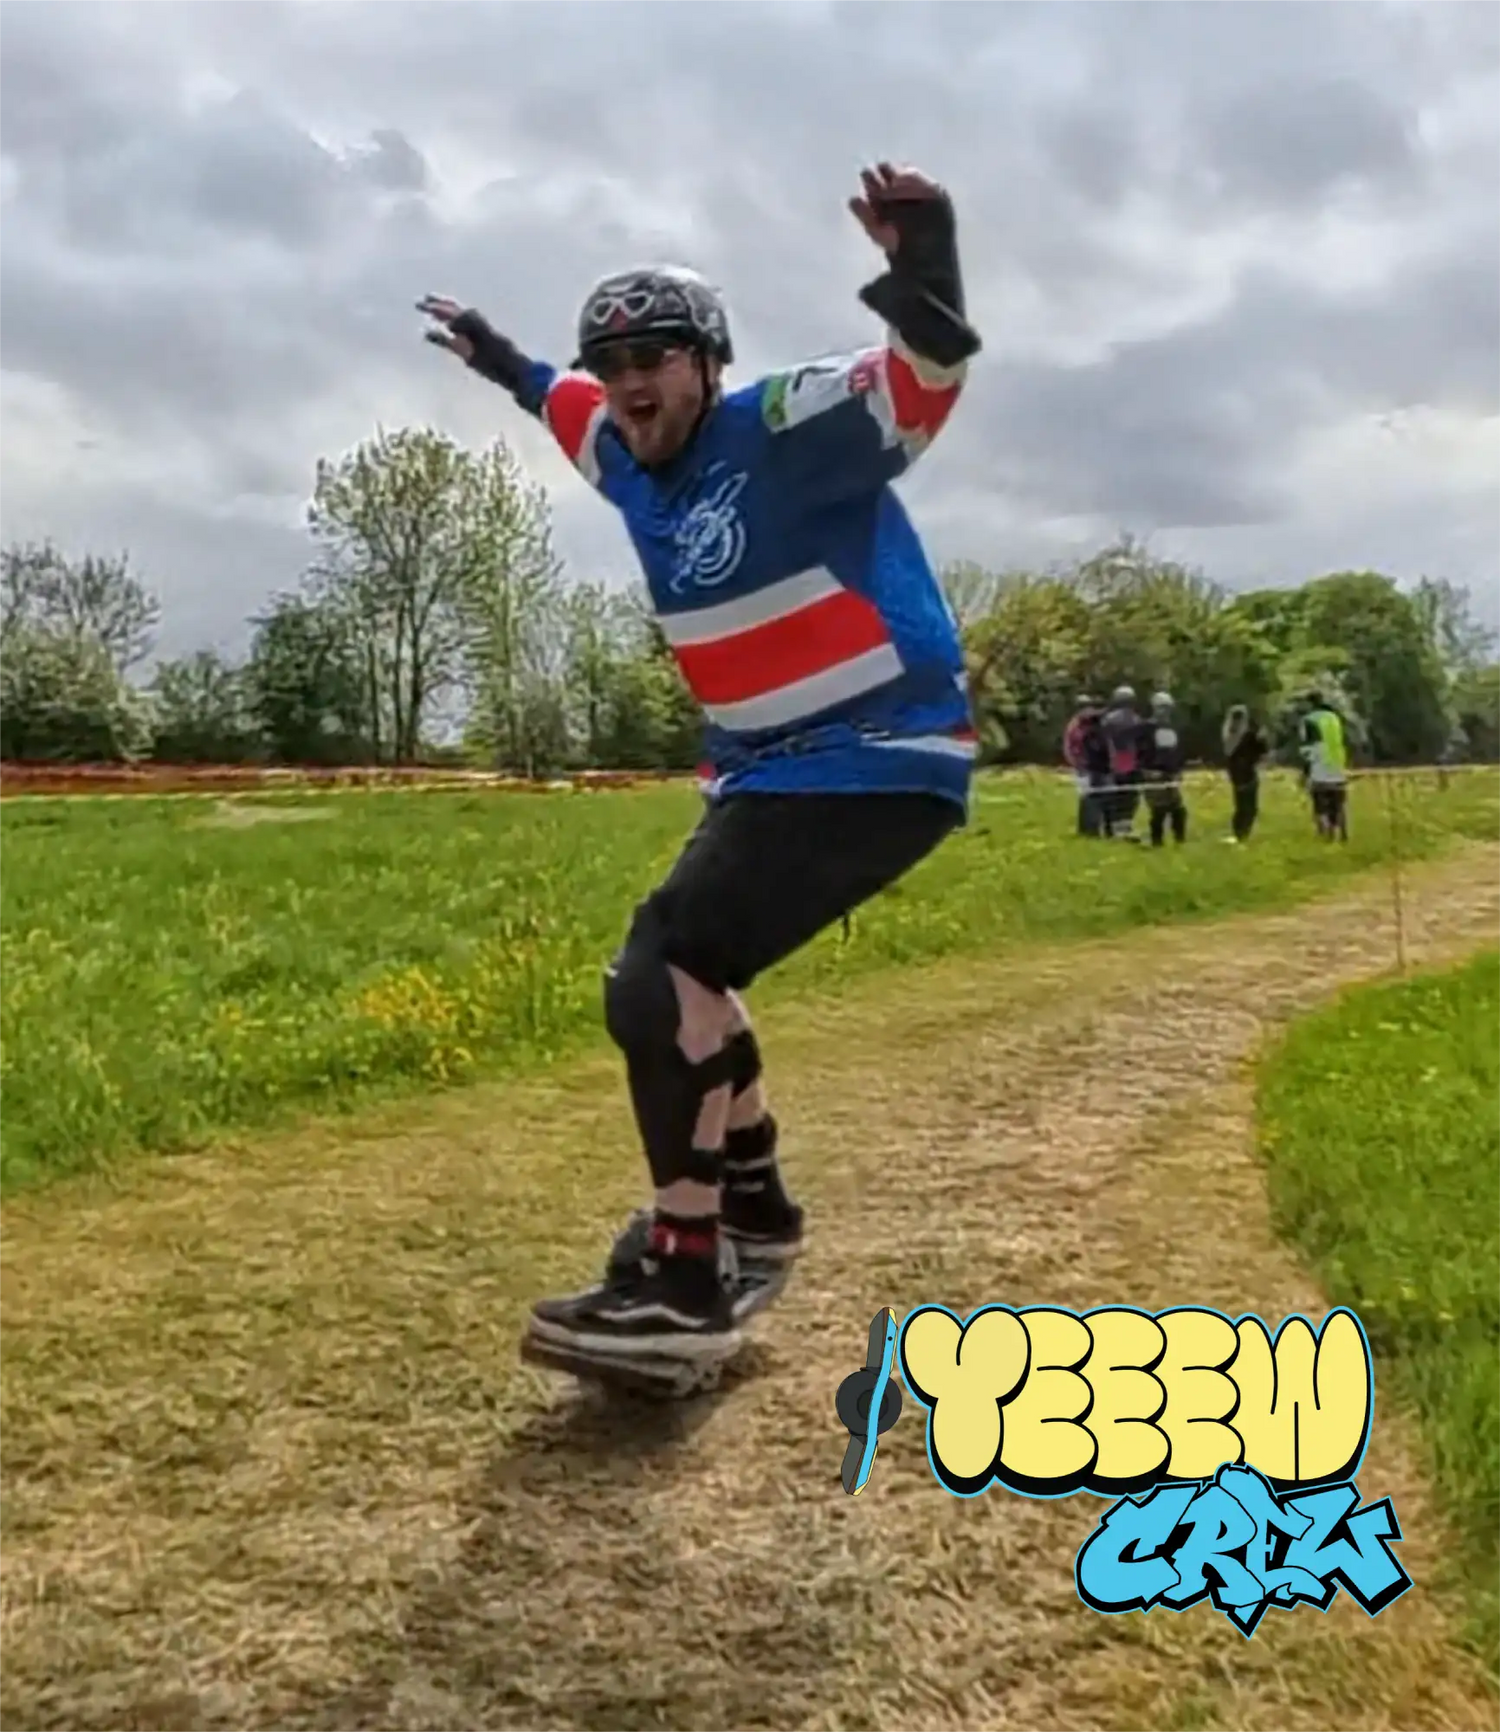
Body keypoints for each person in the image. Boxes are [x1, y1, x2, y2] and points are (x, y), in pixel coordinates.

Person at [418, 161, 981, 1371]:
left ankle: (686, 1278)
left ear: (708, 367)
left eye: (657, 359)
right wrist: (499, 354)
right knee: (693, 983)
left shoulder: (777, 426)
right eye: (615, 365)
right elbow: (551, 396)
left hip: (874, 754)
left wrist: (924, 263)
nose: (630, 384)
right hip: (770, 773)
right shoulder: (621, 453)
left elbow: (922, 385)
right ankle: (755, 1212)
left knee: (655, 972)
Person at [1300, 690, 1350, 840]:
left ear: (1309, 703)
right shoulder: (1334, 717)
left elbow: (1308, 747)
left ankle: (1326, 834)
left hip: (1319, 765)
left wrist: (1305, 771)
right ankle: (1343, 832)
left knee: (1320, 802)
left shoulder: (1308, 720)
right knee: (1338, 801)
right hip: (1337, 763)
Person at [1141, 691, 1187, 846]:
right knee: (1158, 810)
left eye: (1167, 708)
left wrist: (1179, 770)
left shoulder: (1173, 727)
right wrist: (1146, 770)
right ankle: (1157, 841)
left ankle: (1179, 839)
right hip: (1153, 774)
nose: (1164, 711)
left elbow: (1178, 751)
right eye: (1161, 708)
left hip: (1171, 774)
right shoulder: (1147, 728)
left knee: (1178, 809)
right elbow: (1142, 751)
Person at [1100, 685, 1143, 840]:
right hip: (1131, 760)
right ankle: (1125, 826)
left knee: (1114, 796)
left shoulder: (1107, 719)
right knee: (1130, 796)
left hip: (1115, 760)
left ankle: (1113, 827)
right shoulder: (1136, 719)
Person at [1222, 704, 1267, 843]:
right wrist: (1262, 740)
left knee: (1244, 807)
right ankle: (1241, 834)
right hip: (1245, 774)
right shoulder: (1245, 735)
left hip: (1240, 774)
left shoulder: (1231, 735)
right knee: (1248, 807)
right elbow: (1261, 751)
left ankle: (1240, 833)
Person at [1063, 695, 1107, 837]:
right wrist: (1076, 764)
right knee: (1088, 798)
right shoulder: (1075, 726)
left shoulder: (1089, 723)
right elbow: (1069, 747)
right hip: (1082, 767)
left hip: (1090, 766)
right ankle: (1087, 830)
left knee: (1093, 797)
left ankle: (1090, 829)